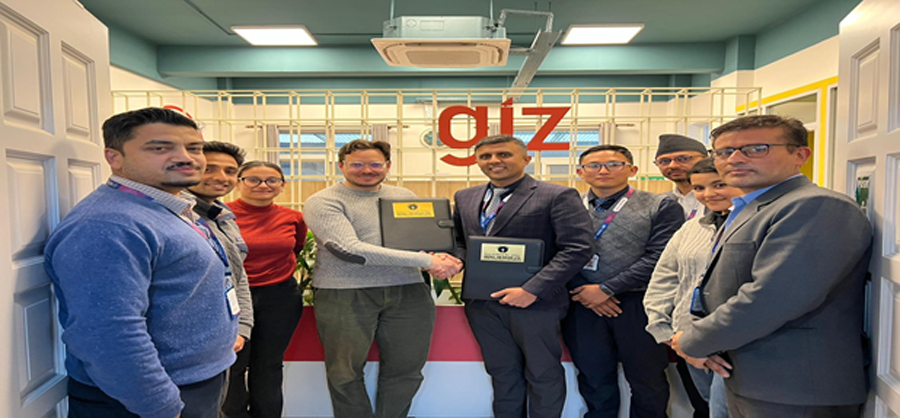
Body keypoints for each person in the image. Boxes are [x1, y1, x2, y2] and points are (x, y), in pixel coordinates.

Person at [673, 115, 872, 418]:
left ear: (800, 154)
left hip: (794, 386)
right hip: (747, 374)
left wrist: (692, 340)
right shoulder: (751, 207)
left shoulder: (815, 206)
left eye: (756, 148)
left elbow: (771, 298)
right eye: (724, 151)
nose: (735, 158)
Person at [45, 107, 237, 418]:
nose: (185, 157)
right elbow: (108, 332)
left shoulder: (166, 207)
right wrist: (160, 406)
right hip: (145, 399)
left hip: (190, 381)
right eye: (160, 148)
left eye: (194, 148)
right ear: (114, 157)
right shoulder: (109, 224)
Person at [303, 139, 462, 418]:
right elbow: (349, 250)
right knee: (344, 372)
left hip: (408, 291)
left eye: (375, 164)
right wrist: (427, 261)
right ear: (341, 166)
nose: (367, 170)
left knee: (407, 369)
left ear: (388, 166)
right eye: (357, 164)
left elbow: (419, 239)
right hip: (345, 293)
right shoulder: (323, 201)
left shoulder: (403, 195)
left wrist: (442, 256)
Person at [452, 134, 593, 418]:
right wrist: (454, 260)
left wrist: (532, 290)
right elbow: (460, 241)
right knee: (502, 372)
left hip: (535, 304)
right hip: (482, 303)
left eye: (504, 154)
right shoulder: (465, 197)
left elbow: (578, 248)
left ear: (526, 159)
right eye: (485, 156)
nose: (494, 161)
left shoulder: (557, 195)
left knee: (542, 373)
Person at [562, 144, 684, 418]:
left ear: (632, 169)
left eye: (614, 164)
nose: (603, 170)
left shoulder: (661, 205)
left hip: (640, 304)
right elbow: (557, 253)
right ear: (581, 172)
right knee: (594, 379)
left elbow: (661, 257)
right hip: (582, 304)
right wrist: (583, 290)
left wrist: (607, 289)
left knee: (647, 379)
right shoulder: (567, 206)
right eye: (594, 165)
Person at [644, 158, 739, 418]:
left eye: (719, 184)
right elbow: (664, 278)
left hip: (736, 345)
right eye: (699, 188)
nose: (708, 194)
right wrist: (669, 335)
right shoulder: (692, 227)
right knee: (705, 408)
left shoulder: (756, 225)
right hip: (687, 341)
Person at [223, 161, 307, 418]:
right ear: (239, 183)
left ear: (282, 185)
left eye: (271, 180)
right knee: (232, 365)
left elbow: (296, 248)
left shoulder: (293, 217)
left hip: (279, 296)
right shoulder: (222, 215)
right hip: (232, 297)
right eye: (253, 179)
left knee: (268, 365)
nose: (263, 185)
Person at [186, 141, 254, 355]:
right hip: (190, 337)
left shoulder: (224, 216)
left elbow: (237, 275)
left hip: (225, 328)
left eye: (230, 171)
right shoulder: (176, 216)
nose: (221, 177)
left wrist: (242, 326)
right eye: (209, 169)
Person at [655, 134, 709, 221]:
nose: (673, 166)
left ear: (706, 159)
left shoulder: (722, 197)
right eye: (664, 161)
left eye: (683, 159)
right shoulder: (659, 202)